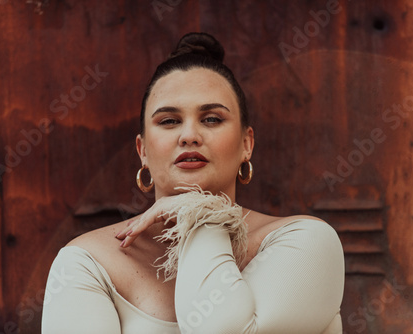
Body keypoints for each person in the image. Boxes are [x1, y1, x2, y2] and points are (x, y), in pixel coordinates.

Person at [41, 32, 345, 334]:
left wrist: (199, 213)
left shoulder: (305, 241)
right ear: (143, 150)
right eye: (169, 121)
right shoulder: (87, 263)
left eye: (212, 119)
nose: (189, 135)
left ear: (246, 144)